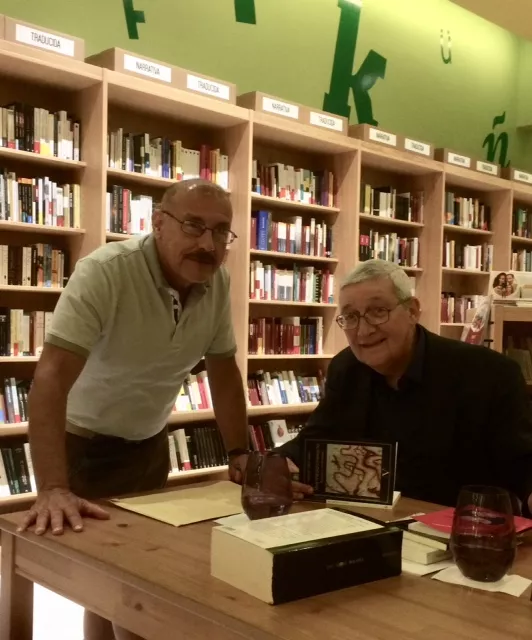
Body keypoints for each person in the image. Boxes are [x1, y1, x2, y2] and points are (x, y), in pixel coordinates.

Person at [18, 179, 250, 640]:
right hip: (80, 446)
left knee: (141, 580)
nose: (208, 243)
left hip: (149, 445)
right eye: (193, 225)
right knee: (107, 586)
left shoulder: (217, 282)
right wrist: (53, 487)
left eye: (221, 231)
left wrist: (240, 452)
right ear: (158, 223)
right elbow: (50, 378)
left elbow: (224, 372)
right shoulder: (105, 272)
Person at [283, 259, 532, 514]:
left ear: (412, 311)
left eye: (378, 311)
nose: (363, 331)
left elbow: (522, 465)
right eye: (350, 317)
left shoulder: (488, 374)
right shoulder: (346, 369)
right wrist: (275, 465)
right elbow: (313, 440)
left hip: (462, 528)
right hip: (370, 522)